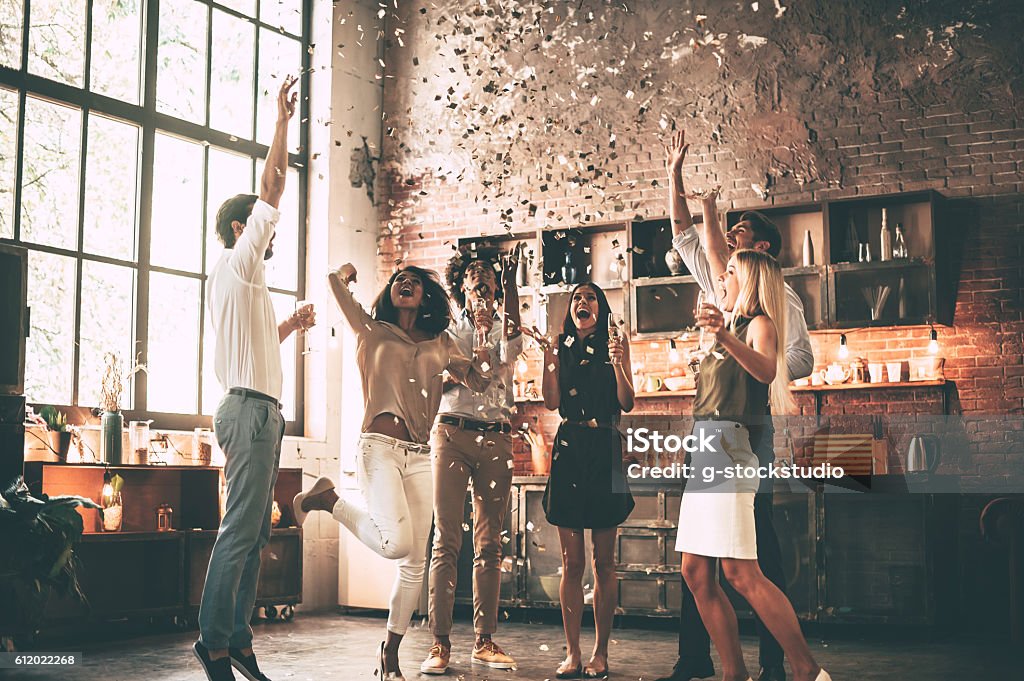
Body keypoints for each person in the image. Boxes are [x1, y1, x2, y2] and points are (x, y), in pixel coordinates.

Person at [658, 130, 814, 681]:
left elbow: (788, 363)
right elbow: (686, 237)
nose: (725, 246)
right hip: (707, 443)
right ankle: (721, 668)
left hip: (741, 437)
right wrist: (684, 183)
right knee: (698, 570)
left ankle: (794, 667)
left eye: (739, 237)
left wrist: (736, 351)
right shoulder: (724, 295)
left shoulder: (769, 304)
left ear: (759, 255)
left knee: (748, 564)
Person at [292, 263, 493, 681]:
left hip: (421, 454)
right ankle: (330, 501)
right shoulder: (369, 328)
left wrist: (487, 337)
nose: (406, 284)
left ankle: (390, 654)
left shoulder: (441, 342)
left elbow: (481, 381)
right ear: (390, 291)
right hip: (378, 448)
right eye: (399, 279)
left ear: (426, 296)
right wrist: (346, 273)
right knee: (397, 544)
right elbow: (332, 283)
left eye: (415, 281)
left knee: (415, 562)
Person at [194, 75, 315, 681]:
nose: (270, 232)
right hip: (247, 411)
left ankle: (238, 639)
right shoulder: (239, 261)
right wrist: (282, 123)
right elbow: (273, 185)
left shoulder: (247, 284)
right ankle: (214, 642)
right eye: (260, 224)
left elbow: (255, 350)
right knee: (239, 534)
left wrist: (289, 325)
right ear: (243, 230)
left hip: (261, 409)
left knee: (252, 536)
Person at [679, 248, 830, 681]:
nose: (720, 278)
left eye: (728, 272)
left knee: (741, 572)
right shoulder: (724, 332)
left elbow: (766, 371)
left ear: (747, 279)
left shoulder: (759, 324)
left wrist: (723, 337)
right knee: (695, 571)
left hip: (730, 450)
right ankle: (734, 673)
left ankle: (806, 669)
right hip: (706, 450)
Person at [418, 248, 524, 675]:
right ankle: (439, 643)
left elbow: (502, 358)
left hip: (497, 437)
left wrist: (512, 289)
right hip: (451, 434)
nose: (481, 281)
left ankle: (484, 640)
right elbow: (432, 379)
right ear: (461, 284)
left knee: (490, 544)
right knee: (446, 539)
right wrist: (458, 369)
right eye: (473, 275)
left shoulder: (507, 326)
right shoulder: (444, 330)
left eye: (490, 277)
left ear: (497, 288)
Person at [528, 282, 634, 679]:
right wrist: (548, 358)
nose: (582, 303)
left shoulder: (615, 343)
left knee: (604, 562)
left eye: (590, 298)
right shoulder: (560, 345)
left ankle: (600, 653)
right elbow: (552, 402)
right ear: (570, 309)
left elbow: (627, 401)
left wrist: (620, 363)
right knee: (572, 564)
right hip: (570, 448)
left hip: (604, 446)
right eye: (576, 299)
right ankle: (573, 653)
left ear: (600, 308)